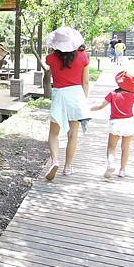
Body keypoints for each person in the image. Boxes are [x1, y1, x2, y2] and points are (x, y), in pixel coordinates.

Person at [43, 26, 90, 180]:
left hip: (60, 94)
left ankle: (55, 160)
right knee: (73, 134)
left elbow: (53, 60)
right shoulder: (83, 57)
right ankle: (68, 167)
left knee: (54, 133)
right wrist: (84, 100)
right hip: (76, 94)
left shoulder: (50, 59)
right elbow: (86, 82)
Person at [90, 71, 134, 178]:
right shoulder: (133, 96)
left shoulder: (112, 94)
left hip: (116, 123)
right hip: (129, 122)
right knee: (125, 147)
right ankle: (122, 170)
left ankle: (111, 163)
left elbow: (100, 106)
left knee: (111, 147)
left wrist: (88, 109)